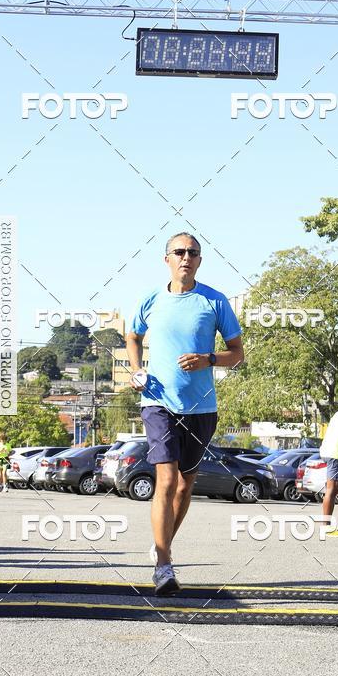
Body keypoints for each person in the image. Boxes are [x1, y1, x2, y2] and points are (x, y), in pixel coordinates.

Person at [127, 232, 243, 595]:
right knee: (165, 480)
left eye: (193, 253)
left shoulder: (215, 301)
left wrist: (209, 359)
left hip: (201, 406)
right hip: (158, 402)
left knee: (185, 485)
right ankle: (164, 566)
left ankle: (163, 545)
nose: (186, 257)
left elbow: (237, 352)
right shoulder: (151, 299)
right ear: (167, 259)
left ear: (199, 260)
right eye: (179, 252)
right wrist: (136, 369)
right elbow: (132, 335)